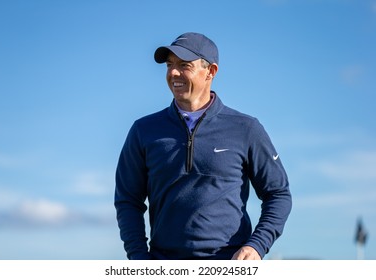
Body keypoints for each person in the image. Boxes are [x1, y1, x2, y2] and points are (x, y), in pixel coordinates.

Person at [114, 32, 292, 260]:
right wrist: (139, 258)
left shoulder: (245, 128)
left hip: (229, 266)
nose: (173, 73)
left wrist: (257, 245)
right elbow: (128, 200)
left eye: (184, 65)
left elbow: (278, 193)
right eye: (169, 65)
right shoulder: (144, 130)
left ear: (211, 71)